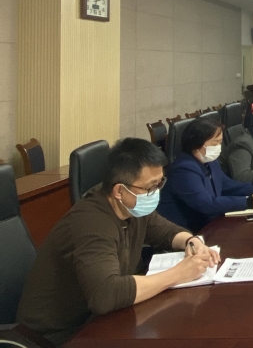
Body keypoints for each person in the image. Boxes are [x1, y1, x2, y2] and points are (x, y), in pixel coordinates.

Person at [16, 138, 220, 345]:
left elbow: (165, 231)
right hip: (58, 336)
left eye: (160, 183)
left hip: (102, 320)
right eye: (150, 187)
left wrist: (192, 242)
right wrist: (177, 274)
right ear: (119, 191)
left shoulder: (131, 206)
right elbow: (105, 294)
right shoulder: (91, 223)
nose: (156, 193)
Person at [157, 118, 253, 233]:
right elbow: (206, 204)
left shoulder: (209, 161)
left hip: (210, 224)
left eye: (220, 143)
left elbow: (227, 185)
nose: (218, 147)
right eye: (215, 143)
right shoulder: (183, 169)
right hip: (186, 231)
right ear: (197, 143)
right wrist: (248, 202)